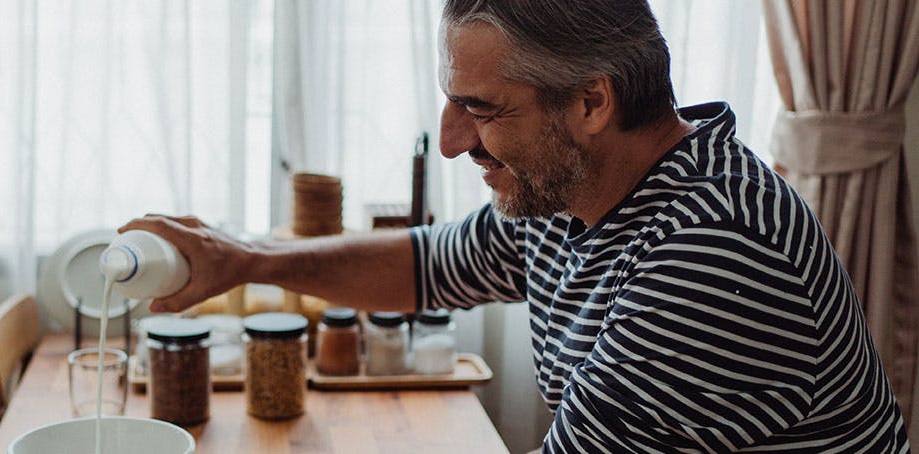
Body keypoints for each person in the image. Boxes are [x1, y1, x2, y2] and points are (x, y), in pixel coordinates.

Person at [122, 0, 911, 451]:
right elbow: (427, 266)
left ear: (592, 103)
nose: (454, 139)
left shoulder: (714, 254)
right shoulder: (576, 188)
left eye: (481, 109)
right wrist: (244, 259)